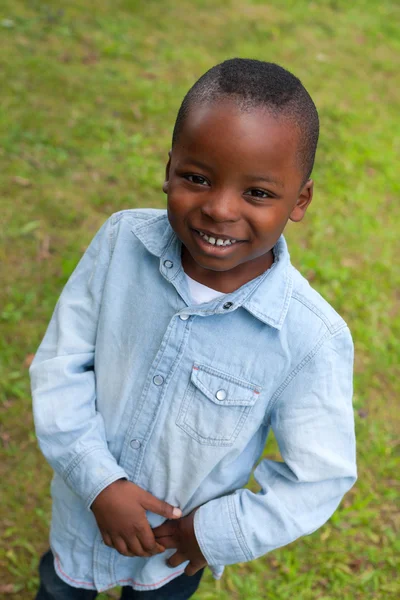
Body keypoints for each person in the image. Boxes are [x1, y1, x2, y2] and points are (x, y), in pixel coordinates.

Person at [30, 58, 357, 600]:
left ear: (300, 200)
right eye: (197, 178)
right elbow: (60, 365)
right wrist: (99, 482)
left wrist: (211, 533)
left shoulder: (309, 337)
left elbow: (318, 476)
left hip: (173, 553)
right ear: (169, 167)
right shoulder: (120, 245)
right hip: (81, 515)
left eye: (257, 193)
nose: (219, 209)